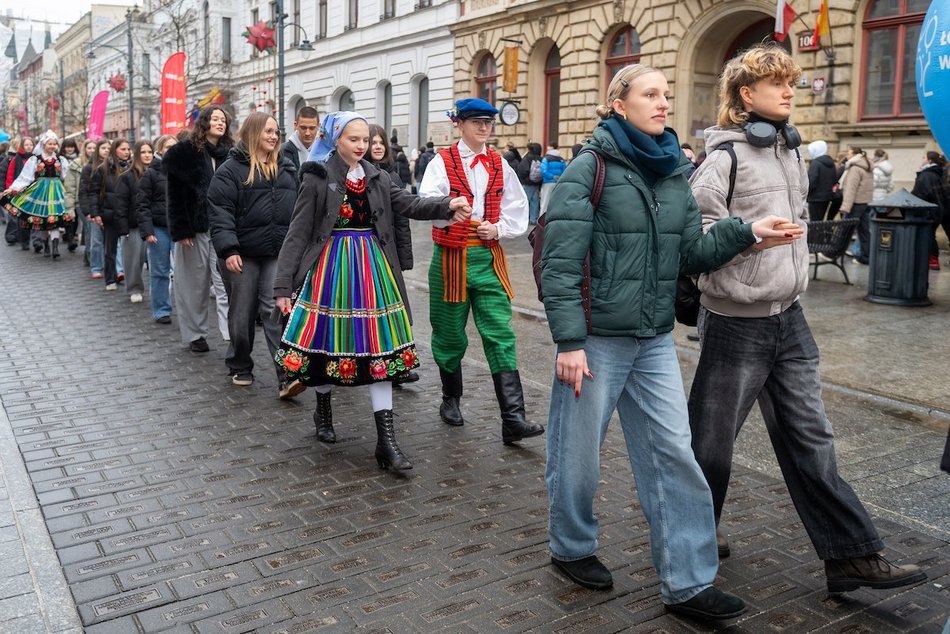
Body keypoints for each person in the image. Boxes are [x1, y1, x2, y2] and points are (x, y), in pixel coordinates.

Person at [541, 62, 799, 621]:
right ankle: (571, 545)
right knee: (577, 454)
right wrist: (568, 341)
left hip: (654, 340)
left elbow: (692, 257)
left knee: (673, 456)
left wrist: (748, 234)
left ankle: (688, 582)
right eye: (649, 94)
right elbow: (558, 264)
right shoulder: (590, 169)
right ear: (618, 104)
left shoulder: (674, 173)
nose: (663, 103)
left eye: (666, 93)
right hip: (595, 339)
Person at [687, 45, 926, 597]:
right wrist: (750, 234)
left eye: (791, 83)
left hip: (789, 319)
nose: (790, 91)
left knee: (813, 441)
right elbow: (693, 243)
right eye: (776, 84)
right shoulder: (722, 159)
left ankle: (852, 558)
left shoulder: (790, 154)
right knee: (711, 447)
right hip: (735, 323)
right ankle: (690, 542)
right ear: (747, 95)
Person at [273, 111, 471, 470]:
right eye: (354, 139)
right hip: (330, 272)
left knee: (380, 353)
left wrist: (446, 204)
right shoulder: (316, 177)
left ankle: (387, 442)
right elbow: (297, 233)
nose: (362, 146)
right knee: (325, 344)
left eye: (365, 139)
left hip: (374, 272)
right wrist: (283, 285)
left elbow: (408, 204)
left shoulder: (377, 175)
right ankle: (323, 409)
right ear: (336, 139)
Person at [418, 98, 544, 445]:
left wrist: (499, 228)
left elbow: (517, 206)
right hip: (450, 259)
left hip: (488, 259)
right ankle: (451, 398)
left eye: (488, 122)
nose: (484, 128)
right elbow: (426, 200)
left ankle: (513, 419)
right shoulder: (441, 162)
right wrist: (447, 207)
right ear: (460, 124)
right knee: (449, 334)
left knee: (499, 333)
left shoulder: (499, 162)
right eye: (476, 122)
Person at [208, 112, 302, 398]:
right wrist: (229, 249)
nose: (274, 137)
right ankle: (239, 362)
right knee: (242, 313)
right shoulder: (231, 169)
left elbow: (297, 209)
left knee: (275, 312)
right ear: (253, 134)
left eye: (276, 132)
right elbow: (219, 211)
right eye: (268, 132)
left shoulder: (286, 168)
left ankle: (285, 375)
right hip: (242, 255)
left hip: (275, 252)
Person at [164, 105, 235, 352]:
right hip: (195, 229)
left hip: (225, 228)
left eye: (223, 119)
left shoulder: (232, 153)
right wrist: (181, 230)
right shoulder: (185, 153)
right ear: (204, 122)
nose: (219, 123)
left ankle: (230, 332)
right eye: (214, 118)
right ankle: (195, 334)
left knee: (227, 283)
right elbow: (174, 195)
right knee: (194, 284)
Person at [367, 123, 419, 382]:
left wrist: (405, 257)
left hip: (389, 254)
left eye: (380, 142)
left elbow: (402, 221)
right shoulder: (358, 175)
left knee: (396, 310)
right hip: (366, 253)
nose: (377, 146)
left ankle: (397, 365)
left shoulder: (392, 176)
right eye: (372, 142)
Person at [1, 130, 74, 259]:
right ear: (44, 144)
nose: (52, 146)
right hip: (41, 191)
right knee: (44, 220)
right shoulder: (35, 159)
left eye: (54, 144)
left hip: (57, 190)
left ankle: (55, 247)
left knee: (55, 219)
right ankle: (46, 245)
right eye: (50, 144)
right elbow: (25, 177)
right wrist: (12, 189)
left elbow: (66, 176)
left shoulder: (60, 159)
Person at [137, 135, 177, 324]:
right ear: (160, 150)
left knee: (183, 273)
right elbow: (142, 204)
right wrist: (148, 231)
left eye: (174, 147)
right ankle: (161, 310)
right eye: (168, 147)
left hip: (179, 228)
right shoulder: (151, 174)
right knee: (160, 271)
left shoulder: (182, 171)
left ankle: (187, 309)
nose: (172, 150)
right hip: (158, 228)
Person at [90, 139, 132, 290]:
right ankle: (110, 279)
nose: (126, 152)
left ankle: (127, 276)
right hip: (110, 213)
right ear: (115, 150)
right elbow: (93, 192)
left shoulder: (132, 167)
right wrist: (95, 213)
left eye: (128, 149)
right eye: (123, 149)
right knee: (110, 248)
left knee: (130, 249)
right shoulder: (103, 169)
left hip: (128, 215)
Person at [115, 140, 153, 303]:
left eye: (150, 152)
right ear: (136, 154)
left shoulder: (157, 173)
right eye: (143, 152)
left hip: (154, 223)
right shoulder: (127, 176)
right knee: (134, 260)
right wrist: (123, 228)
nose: (147, 155)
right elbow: (120, 204)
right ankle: (135, 288)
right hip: (133, 225)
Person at [911, 151, 950, 271]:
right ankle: (932, 259)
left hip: (929, 210)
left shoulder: (927, 175)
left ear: (929, 160)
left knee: (928, 235)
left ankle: (932, 260)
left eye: (924, 157)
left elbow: (922, 193)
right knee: (930, 234)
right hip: (939, 209)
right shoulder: (937, 173)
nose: (922, 159)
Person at [80, 140, 111, 279]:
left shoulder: (114, 166)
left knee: (112, 241)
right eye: (103, 148)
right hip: (95, 208)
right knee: (96, 241)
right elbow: (84, 191)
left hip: (111, 208)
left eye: (108, 148)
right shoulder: (89, 168)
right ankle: (97, 266)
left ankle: (115, 268)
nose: (106, 150)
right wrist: (88, 212)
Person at [66, 140, 97, 266]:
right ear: (84, 149)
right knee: (90, 229)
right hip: (80, 202)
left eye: (94, 147)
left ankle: (88, 255)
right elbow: (70, 187)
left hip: (95, 201)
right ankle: (91, 257)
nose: (92, 150)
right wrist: (70, 207)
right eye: (89, 148)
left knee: (91, 230)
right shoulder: (76, 164)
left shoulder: (101, 163)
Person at [4, 137, 35, 249]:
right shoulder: (16, 159)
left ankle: (36, 240)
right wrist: (10, 189)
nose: (29, 147)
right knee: (21, 217)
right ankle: (24, 241)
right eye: (26, 145)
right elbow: (10, 175)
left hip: (33, 192)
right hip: (18, 192)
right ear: (22, 146)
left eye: (31, 145)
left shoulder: (36, 158)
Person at [280, 105, 319, 175]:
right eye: (303, 128)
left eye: (312, 128)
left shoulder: (326, 152)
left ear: (318, 126)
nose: (307, 133)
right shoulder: (281, 151)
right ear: (295, 125)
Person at [59, 138, 81, 252]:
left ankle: (71, 235)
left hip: (74, 189)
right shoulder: (60, 158)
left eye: (71, 146)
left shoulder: (80, 158)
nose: (69, 149)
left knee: (75, 215)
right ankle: (70, 236)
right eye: (67, 147)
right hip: (62, 190)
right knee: (67, 214)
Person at [807, 139, 838, 221]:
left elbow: (812, 181)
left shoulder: (816, 163)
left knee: (814, 222)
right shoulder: (831, 163)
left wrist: (805, 193)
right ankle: (819, 234)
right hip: (827, 197)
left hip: (815, 198)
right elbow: (835, 180)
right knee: (820, 221)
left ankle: (815, 234)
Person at [516, 142, 543, 225]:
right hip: (537, 183)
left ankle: (523, 219)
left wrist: (523, 179)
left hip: (527, 183)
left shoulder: (527, 158)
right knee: (535, 202)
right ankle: (533, 219)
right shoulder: (541, 159)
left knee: (525, 201)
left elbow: (522, 170)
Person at [538, 142, 566, 217]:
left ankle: (542, 220)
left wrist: (552, 176)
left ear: (551, 148)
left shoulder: (546, 159)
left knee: (545, 202)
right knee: (557, 202)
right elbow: (565, 171)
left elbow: (543, 171)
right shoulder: (562, 160)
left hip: (548, 182)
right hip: (559, 183)